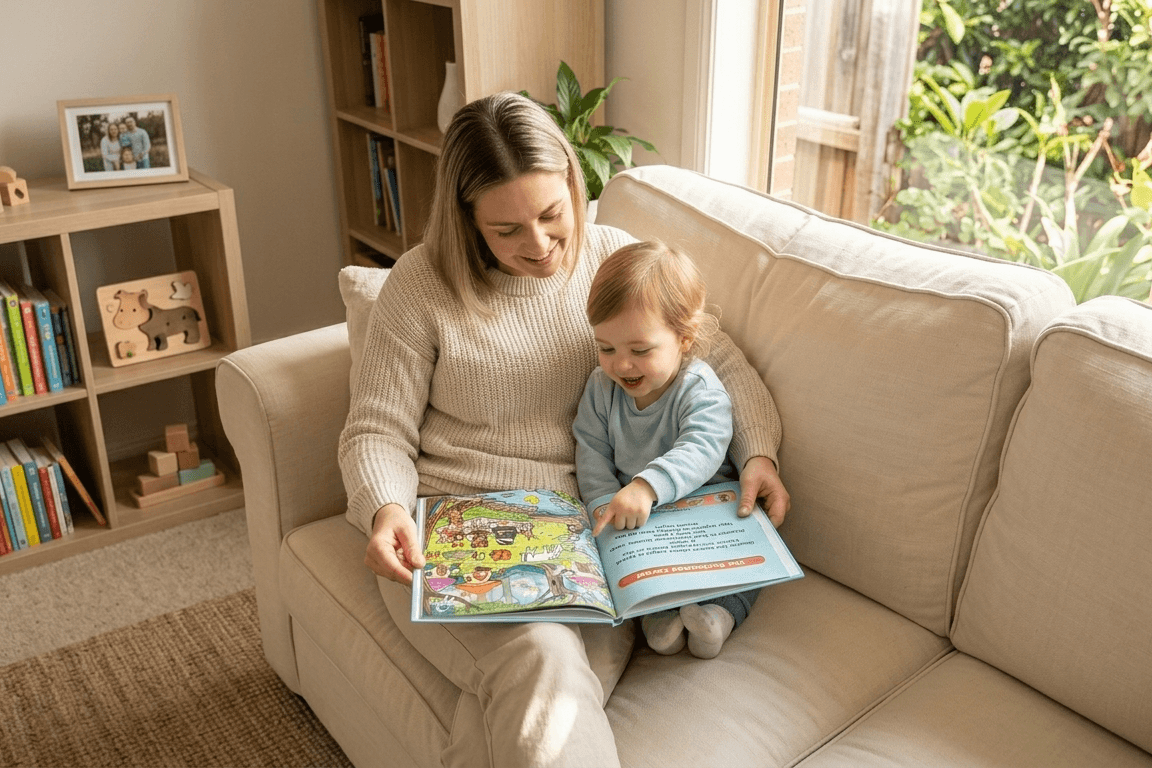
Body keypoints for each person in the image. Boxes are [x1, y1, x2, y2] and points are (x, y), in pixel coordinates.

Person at [339, 91, 789, 768]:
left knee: (532, 717)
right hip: (458, 537)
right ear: (466, 222)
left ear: (575, 185)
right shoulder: (421, 285)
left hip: (592, 541)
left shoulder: (613, 260)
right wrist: (385, 509)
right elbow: (376, 428)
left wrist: (759, 454)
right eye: (507, 230)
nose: (541, 244)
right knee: (543, 662)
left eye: (553, 213)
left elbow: (714, 359)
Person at [573, 240, 759, 660]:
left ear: (684, 338)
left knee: (743, 564)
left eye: (640, 350)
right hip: (643, 521)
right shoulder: (602, 388)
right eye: (606, 348)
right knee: (629, 571)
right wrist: (603, 503)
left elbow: (702, 447)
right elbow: (591, 450)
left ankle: (720, 617)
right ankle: (659, 619)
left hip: (704, 512)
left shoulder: (699, 388)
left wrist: (647, 486)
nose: (621, 365)